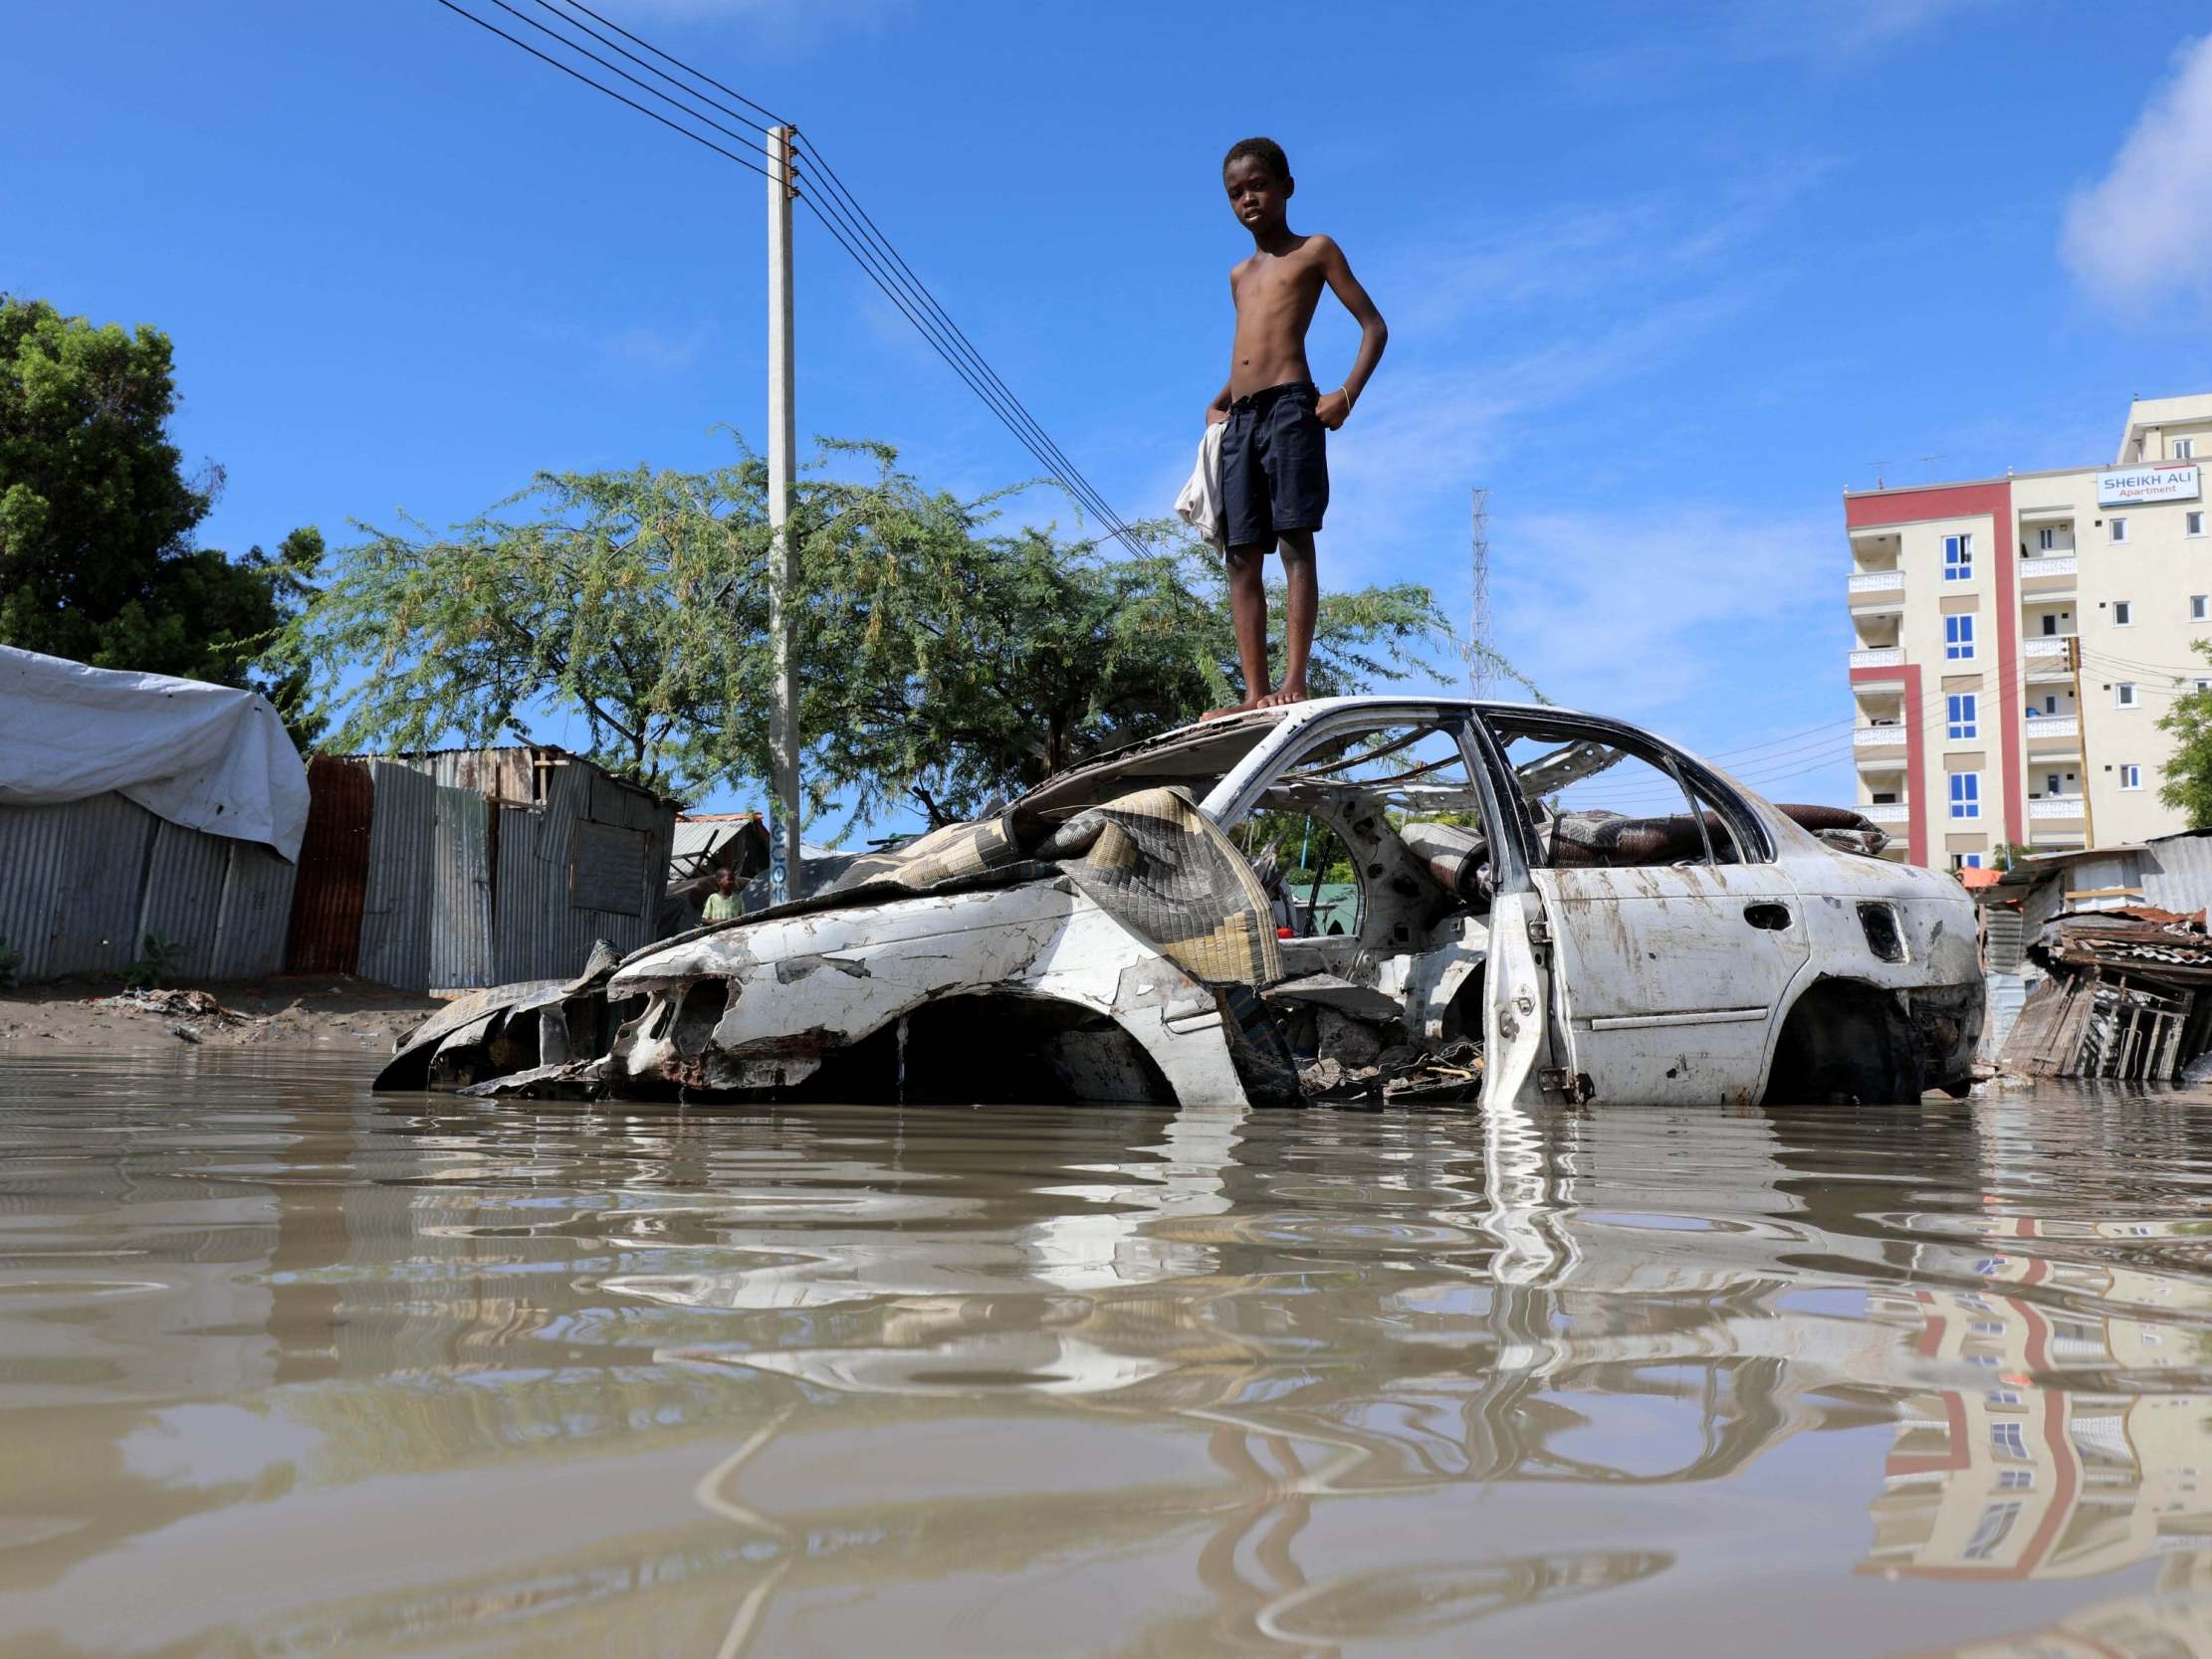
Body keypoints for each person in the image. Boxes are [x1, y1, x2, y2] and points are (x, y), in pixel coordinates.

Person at [1203, 136, 1387, 715]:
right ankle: (1254, 694)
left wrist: (1346, 395)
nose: (1248, 199)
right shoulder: (1239, 274)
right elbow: (1250, 350)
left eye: (1258, 185)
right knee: (1239, 554)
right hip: (1243, 419)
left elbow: (1374, 327)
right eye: (1236, 193)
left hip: (1290, 409)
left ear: (1286, 186)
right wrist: (1218, 402)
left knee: (1293, 540)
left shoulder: (1315, 250)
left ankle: (1294, 680)